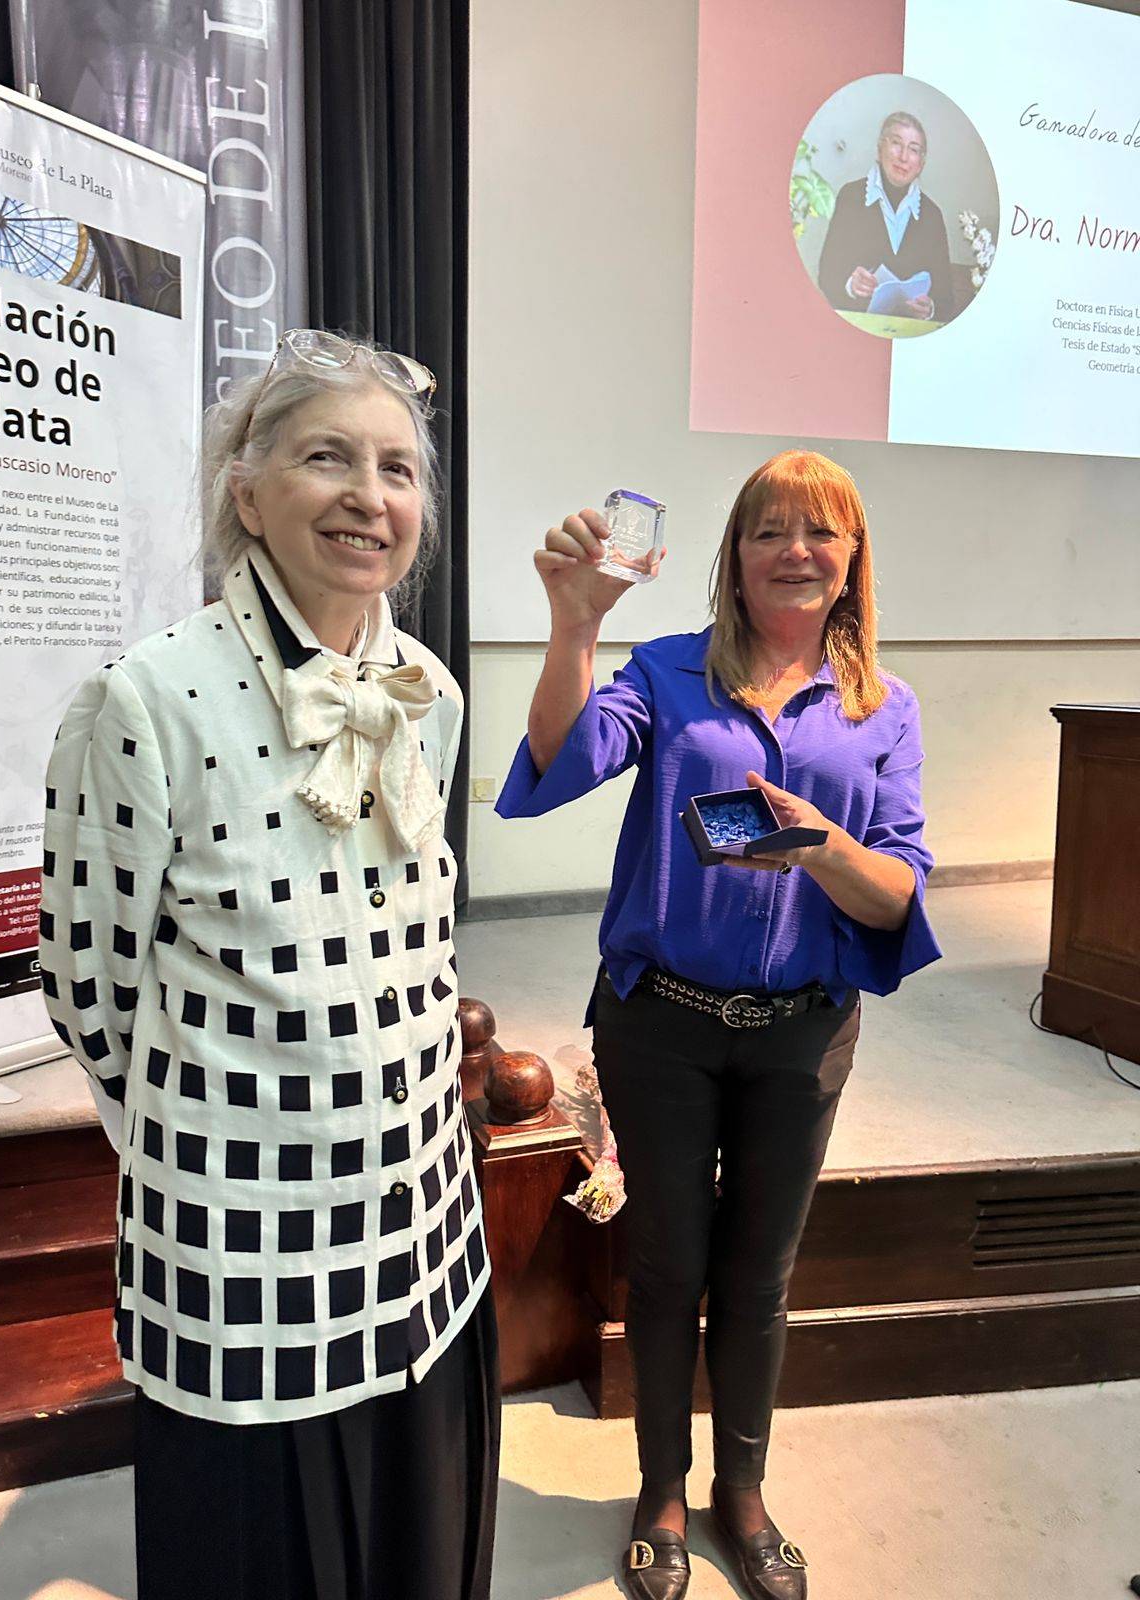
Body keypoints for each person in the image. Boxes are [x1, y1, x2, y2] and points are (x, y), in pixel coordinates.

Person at [39, 330, 497, 1600]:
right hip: (247, 1265)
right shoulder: (146, 699)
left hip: (425, 1241)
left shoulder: (430, 691)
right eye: (327, 458)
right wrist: (219, 1133)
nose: (370, 496)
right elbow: (89, 988)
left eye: (398, 469)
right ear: (248, 495)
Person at [496, 450, 941, 1600]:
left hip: (802, 1034)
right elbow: (558, 763)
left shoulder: (883, 708)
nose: (794, 550)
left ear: (852, 559)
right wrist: (574, 623)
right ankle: (660, 1488)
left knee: (760, 1273)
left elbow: (896, 893)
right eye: (767, 530)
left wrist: (820, 845)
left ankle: (742, 1493)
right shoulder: (668, 671)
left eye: (820, 531)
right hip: (662, 1026)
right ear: (732, 557)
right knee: (666, 1262)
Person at [817, 111, 953, 323]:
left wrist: (930, 309)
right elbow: (827, 274)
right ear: (880, 149)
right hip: (857, 328)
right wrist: (851, 285)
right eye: (896, 143)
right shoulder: (851, 196)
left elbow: (945, 296)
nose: (903, 157)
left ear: (921, 163)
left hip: (909, 335)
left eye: (914, 149)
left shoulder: (932, 215)